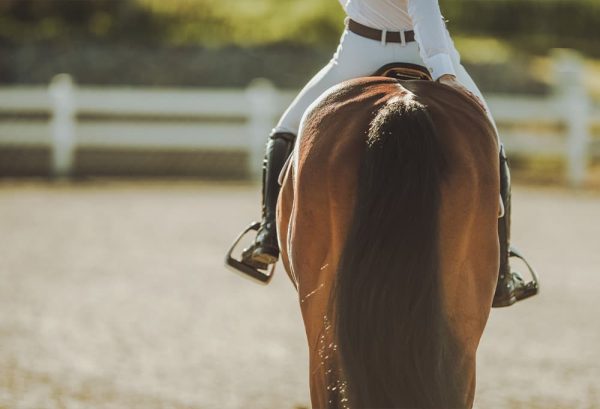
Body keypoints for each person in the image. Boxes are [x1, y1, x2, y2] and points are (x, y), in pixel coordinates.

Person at [239, 0, 533, 307]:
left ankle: (269, 236)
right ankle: (502, 272)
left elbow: (424, 7)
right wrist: (443, 71)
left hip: (364, 50)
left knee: (285, 132)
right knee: (491, 140)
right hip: (405, 47)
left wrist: (444, 72)